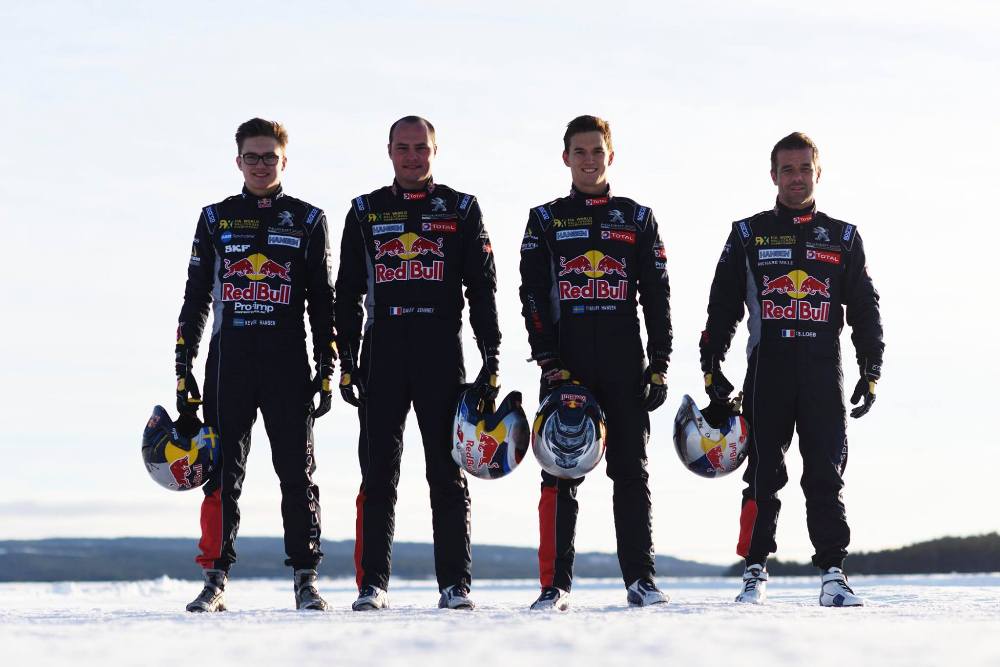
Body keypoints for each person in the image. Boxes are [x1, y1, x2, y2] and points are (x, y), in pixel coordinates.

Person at [699, 132, 884, 606]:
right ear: (773, 176)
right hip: (768, 371)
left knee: (826, 473)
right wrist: (711, 364)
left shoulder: (843, 237)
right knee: (762, 474)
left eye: (804, 169)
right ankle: (754, 571)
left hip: (823, 371)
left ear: (818, 173)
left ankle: (833, 574)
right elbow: (722, 306)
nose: (796, 178)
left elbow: (865, 307)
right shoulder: (748, 233)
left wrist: (871, 367)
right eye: (787, 170)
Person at [335, 116, 501, 611]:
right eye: (404, 148)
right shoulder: (364, 210)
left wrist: (491, 355)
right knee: (377, 475)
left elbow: (482, 289)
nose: (412, 157)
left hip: (440, 352)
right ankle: (372, 585)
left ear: (435, 151)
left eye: (421, 148)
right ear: (389, 151)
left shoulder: (462, 208)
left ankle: (455, 585)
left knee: (447, 474)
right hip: (382, 352)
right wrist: (346, 360)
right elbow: (347, 294)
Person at [176, 118, 337, 612]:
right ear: (238, 161)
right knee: (222, 475)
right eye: (252, 157)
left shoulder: (308, 219)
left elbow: (323, 302)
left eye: (270, 157)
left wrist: (327, 366)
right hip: (229, 364)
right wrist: (183, 365)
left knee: (297, 473)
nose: (261, 165)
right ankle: (215, 579)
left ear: (284, 160)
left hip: (287, 364)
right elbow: (196, 298)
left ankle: (306, 579)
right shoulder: (215, 218)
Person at [518, 115, 672, 610]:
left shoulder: (637, 218)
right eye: (580, 152)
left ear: (611, 156)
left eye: (597, 151)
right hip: (566, 364)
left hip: (625, 363)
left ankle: (641, 581)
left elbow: (657, 296)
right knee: (559, 472)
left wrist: (660, 361)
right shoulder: (545, 219)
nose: (589, 160)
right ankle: (554, 586)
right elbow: (531, 295)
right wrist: (548, 359)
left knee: (631, 472)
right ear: (566, 157)